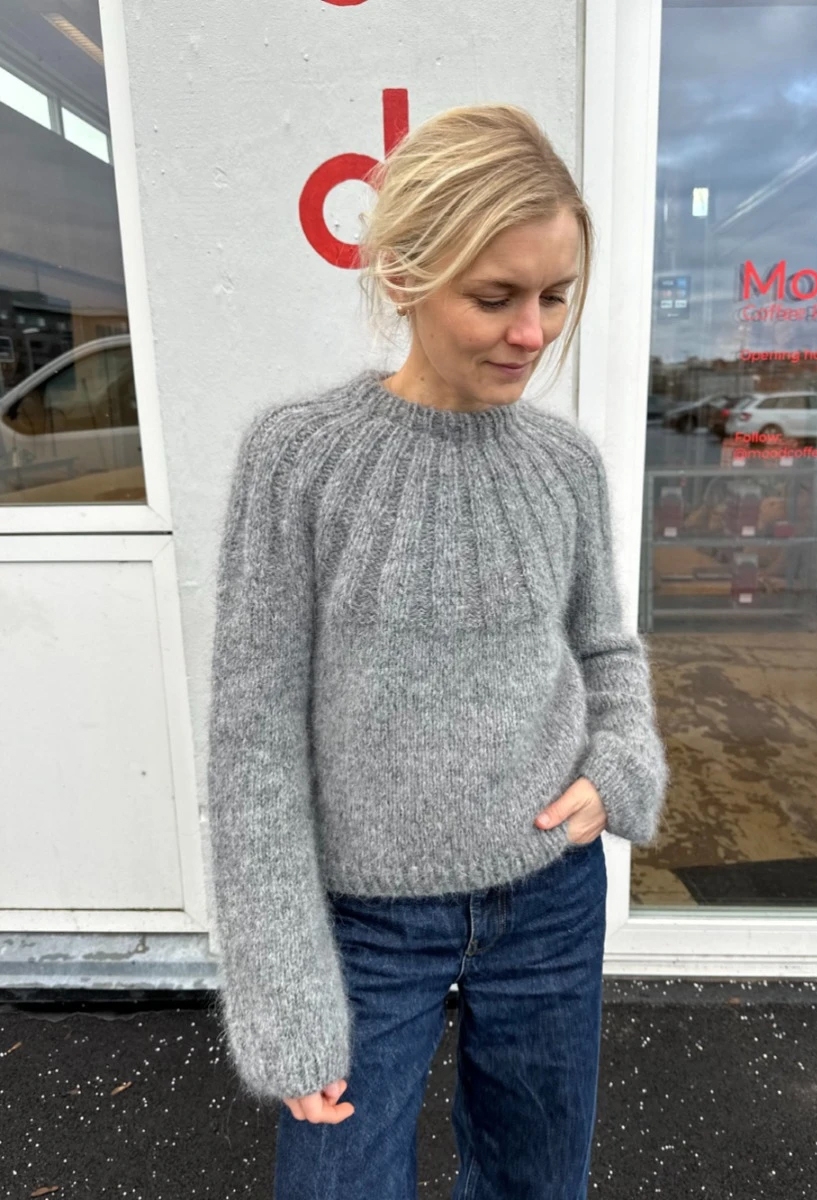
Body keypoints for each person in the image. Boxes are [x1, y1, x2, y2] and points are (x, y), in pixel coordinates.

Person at [206, 103, 669, 1200]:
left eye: (555, 295)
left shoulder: (563, 465)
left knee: (535, 1181)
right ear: (404, 275)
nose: (533, 332)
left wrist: (619, 766)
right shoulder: (300, 461)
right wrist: (282, 985)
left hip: (549, 902)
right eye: (495, 297)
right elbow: (253, 739)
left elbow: (603, 648)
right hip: (367, 927)